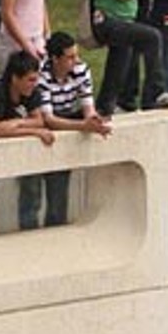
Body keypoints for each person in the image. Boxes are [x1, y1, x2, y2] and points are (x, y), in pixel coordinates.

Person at [0, 51, 108, 239]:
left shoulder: (32, 92)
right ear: (14, 78)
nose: (34, 85)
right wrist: (30, 129)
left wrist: (17, 124)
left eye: (36, 79)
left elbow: (39, 121)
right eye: (29, 80)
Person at [35, 32, 105, 226]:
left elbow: (87, 106)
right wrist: (83, 125)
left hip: (67, 117)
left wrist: (93, 121)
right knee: (31, 193)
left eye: (76, 55)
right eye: (70, 57)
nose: (76, 61)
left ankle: (56, 224)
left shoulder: (81, 70)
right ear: (55, 59)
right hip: (40, 125)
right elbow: (48, 119)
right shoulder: (41, 76)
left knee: (58, 189)